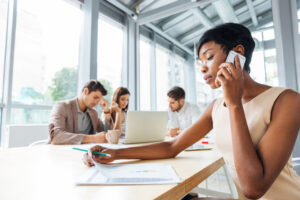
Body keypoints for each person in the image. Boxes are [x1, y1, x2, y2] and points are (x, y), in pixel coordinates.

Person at [83, 23, 300, 200]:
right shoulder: (215, 107)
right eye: (200, 62)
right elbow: (172, 146)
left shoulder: (287, 101)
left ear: (238, 53)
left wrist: (234, 103)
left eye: (209, 57)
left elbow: (254, 188)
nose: (203, 68)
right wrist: (115, 154)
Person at [49, 80, 120, 145]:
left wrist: (107, 111)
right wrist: (93, 138)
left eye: (98, 100)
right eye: (95, 98)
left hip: (86, 152)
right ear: (86, 91)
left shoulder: (93, 113)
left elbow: (107, 132)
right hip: (62, 152)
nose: (96, 103)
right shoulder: (62, 107)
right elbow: (56, 136)